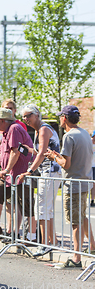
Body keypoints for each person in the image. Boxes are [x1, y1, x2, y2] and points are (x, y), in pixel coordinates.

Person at [44, 105, 95, 267]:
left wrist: (53, 157)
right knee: (81, 216)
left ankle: (76, 258)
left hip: (73, 184)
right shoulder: (85, 133)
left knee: (75, 222)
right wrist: (59, 157)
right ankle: (92, 246)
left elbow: (66, 164)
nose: (59, 119)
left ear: (64, 118)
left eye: (60, 116)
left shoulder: (69, 136)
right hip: (84, 182)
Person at [16, 104, 61, 256]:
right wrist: (25, 149)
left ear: (37, 115)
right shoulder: (39, 130)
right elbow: (38, 152)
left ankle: (45, 244)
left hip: (49, 172)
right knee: (46, 209)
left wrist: (29, 171)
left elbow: (41, 154)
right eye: (23, 116)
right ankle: (52, 241)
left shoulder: (43, 130)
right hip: (50, 173)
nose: (25, 119)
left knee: (41, 209)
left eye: (28, 115)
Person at [0, 108, 34, 238]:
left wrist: (6, 170)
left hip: (20, 175)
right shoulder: (6, 132)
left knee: (25, 205)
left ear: (3, 121)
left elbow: (15, 152)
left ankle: (30, 237)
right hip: (9, 176)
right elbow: (3, 154)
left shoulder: (14, 129)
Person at [91, 131, 95, 207]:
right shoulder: (89, 143)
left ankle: (92, 199)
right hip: (89, 166)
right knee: (90, 184)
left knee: (94, 184)